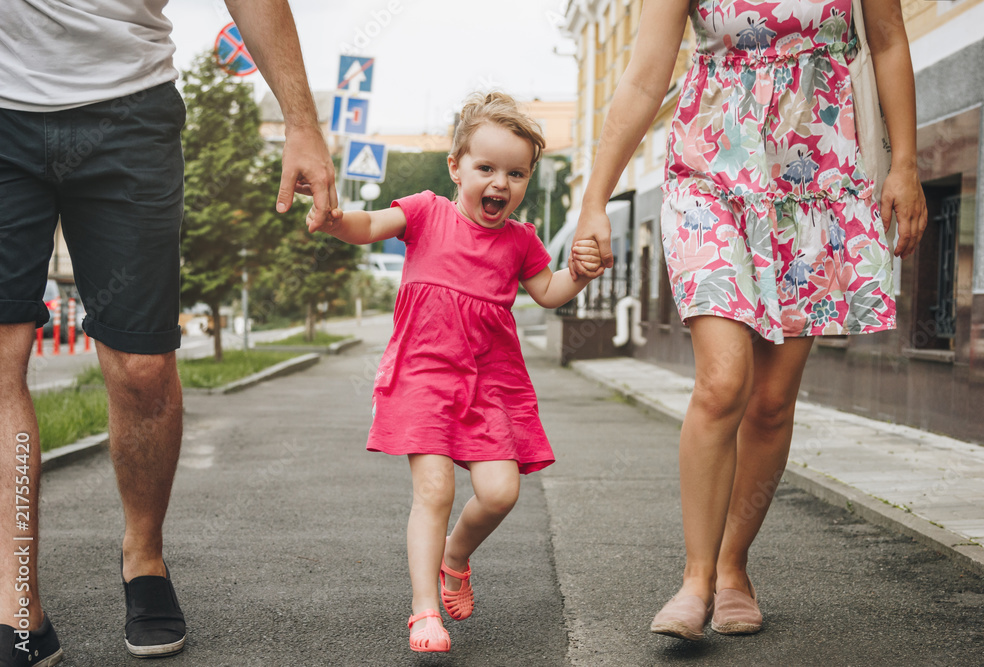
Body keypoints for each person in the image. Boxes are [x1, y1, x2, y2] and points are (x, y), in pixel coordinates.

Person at [570, 0, 927, 641]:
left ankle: (734, 568)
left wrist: (905, 164)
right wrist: (595, 198)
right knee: (722, 381)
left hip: (814, 176)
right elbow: (646, 74)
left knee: (769, 401)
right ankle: (695, 580)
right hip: (710, 175)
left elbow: (889, 41)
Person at [0, 1, 337, 663]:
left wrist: (301, 121)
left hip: (129, 110)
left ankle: (144, 557)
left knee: (142, 366)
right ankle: (17, 601)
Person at [308, 91, 603, 653]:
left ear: (528, 179)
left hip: (490, 383)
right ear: (455, 167)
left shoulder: (520, 240)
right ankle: (423, 611)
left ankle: (455, 555)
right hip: (424, 376)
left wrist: (580, 273)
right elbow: (369, 224)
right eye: (485, 167)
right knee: (434, 488)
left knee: (500, 493)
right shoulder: (425, 212)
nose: (500, 183)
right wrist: (335, 219)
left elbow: (547, 293)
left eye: (515, 173)